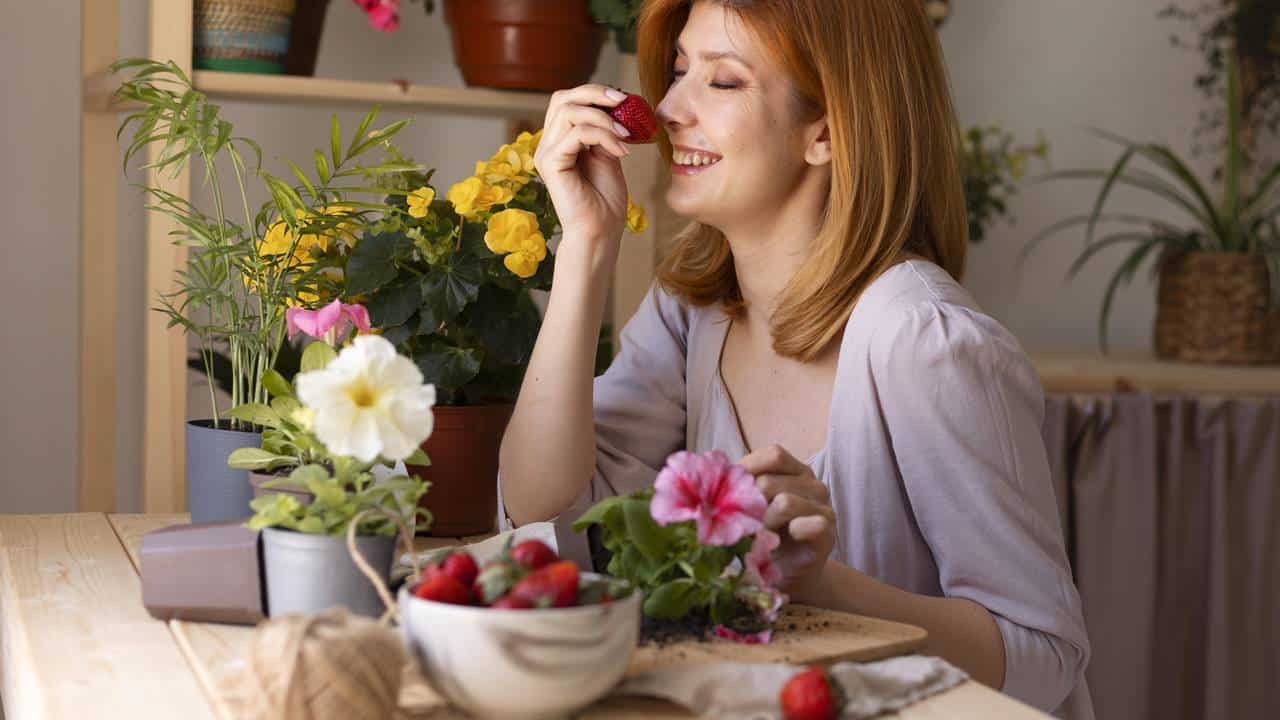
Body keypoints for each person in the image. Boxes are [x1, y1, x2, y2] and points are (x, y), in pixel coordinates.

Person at [498, 1, 1093, 717]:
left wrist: (824, 585)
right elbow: (542, 517)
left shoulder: (926, 343)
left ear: (827, 132)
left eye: (722, 83)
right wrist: (585, 249)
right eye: (680, 69)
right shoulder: (691, 311)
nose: (667, 108)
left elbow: (1044, 656)